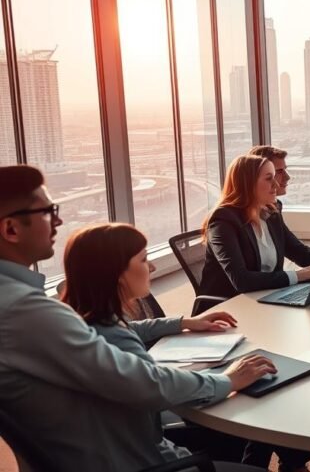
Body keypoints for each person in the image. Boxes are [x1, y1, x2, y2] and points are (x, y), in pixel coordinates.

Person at [0, 165, 275, 472]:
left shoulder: (20, 308)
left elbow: (100, 338)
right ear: (11, 229)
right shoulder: (25, 311)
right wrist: (226, 380)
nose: (59, 220)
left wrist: (180, 322)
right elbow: (142, 382)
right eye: (48, 211)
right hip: (136, 459)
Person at [61, 223, 249, 464]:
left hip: (110, 449)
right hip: (148, 458)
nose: (152, 266)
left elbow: (132, 328)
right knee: (236, 416)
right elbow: (163, 387)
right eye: (143, 259)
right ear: (116, 273)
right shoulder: (116, 340)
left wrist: (184, 322)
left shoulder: (81, 323)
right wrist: (229, 380)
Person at [199, 154, 310, 299]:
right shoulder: (223, 221)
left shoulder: (271, 213)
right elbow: (242, 280)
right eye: (269, 178)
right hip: (228, 307)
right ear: (248, 183)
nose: (276, 184)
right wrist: (296, 276)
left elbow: (297, 250)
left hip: (268, 296)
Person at [250, 144, 292, 210]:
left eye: (285, 169)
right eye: (279, 171)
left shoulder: (275, 206)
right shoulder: (234, 217)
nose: (287, 177)